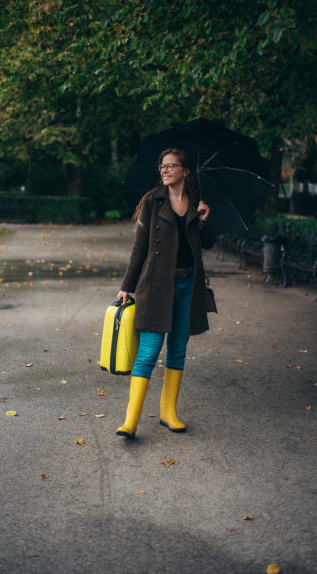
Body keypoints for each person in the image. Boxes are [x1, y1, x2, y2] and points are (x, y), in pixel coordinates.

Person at [116, 147, 215, 439]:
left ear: (185, 171)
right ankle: (130, 420)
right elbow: (140, 247)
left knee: (178, 350)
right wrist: (127, 287)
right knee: (147, 353)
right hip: (157, 286)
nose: (165, 170)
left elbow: (208, 243)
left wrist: (205, 219)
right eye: (162, 166)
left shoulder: (198, 204)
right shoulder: (152, 201)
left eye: (171, 166)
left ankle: (168, 412)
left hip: (188, 285)